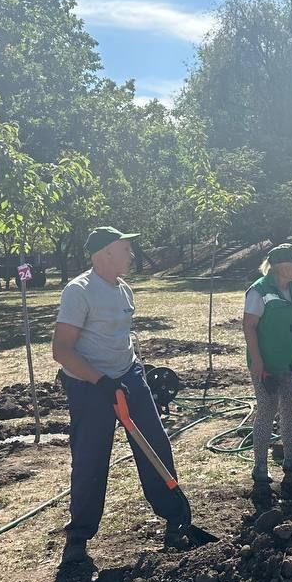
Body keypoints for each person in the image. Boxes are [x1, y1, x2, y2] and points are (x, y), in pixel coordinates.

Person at [51, 226, 191, 563]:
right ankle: (79, 538)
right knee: (90, 459)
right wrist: (101, 381)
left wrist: (131, 375)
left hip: (129, 377)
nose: (131, 254)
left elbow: (120, 339)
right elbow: (61, 350)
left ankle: (175, 518)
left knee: (155, 445)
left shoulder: (124, 289)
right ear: (103, 255)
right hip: (89, 387)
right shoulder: (79, 291)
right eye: (125, 248)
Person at [241, 243, 292, 485]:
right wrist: (257, 361)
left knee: (290, 410)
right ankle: (260, 466)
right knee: (267, 411)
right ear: (282, 268)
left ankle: (291, 459)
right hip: (268, 365)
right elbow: (249, 326)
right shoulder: (259, 291)